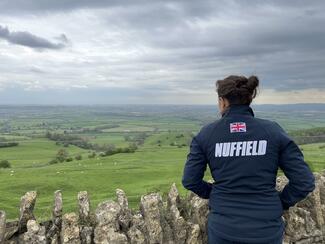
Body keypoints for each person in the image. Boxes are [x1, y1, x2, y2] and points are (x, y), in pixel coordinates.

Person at [181, 75, 315, 244]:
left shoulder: (207, 134)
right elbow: (305, 181)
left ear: (222, 101)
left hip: (224, 229)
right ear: (249, 99)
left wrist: (215, 193)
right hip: (266, 230)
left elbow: (190, 180)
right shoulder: (273, 131)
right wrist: (280, 202)